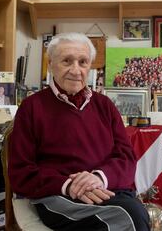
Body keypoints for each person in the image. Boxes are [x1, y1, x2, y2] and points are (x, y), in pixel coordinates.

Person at [8, 32, 150, 231]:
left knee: (136, 212)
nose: (76, 70)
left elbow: (126, 158)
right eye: (67, 61)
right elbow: (21, 173)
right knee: (126, 216)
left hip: (105, 190)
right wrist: (69, 185)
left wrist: (98, 178)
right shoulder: (31, 107)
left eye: (83, 62)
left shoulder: (105, 105)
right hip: (58, 196)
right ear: (50, 65)